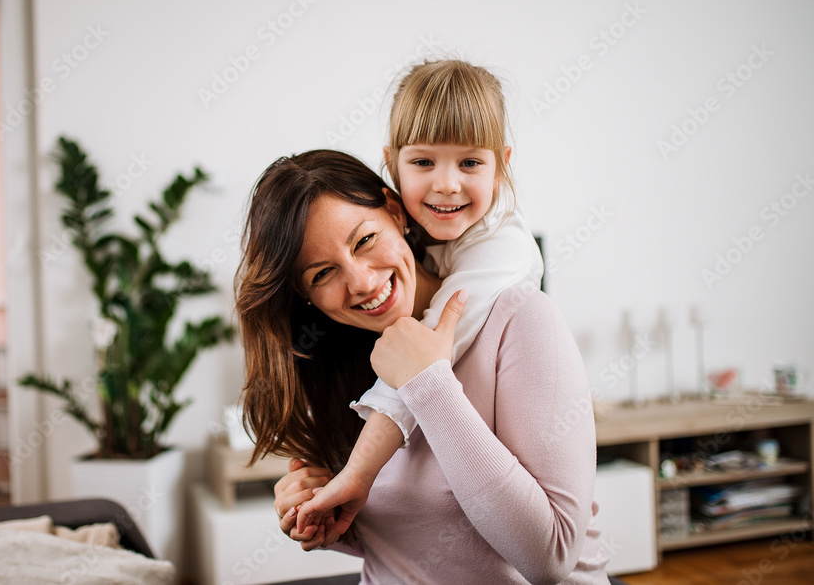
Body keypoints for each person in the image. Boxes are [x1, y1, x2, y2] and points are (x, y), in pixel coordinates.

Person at [235, 149, 610, 583]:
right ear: (307, 297)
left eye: (364, 241)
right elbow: (414, 538)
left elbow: (549, 558)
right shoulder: (336, 364)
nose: (361, 281)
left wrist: (429, 386)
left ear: (394, 211)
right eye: (322, 274)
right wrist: (325, 515)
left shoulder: (521, 318)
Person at [296, 59, 545, 538]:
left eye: (470, 162)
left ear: (502, 165)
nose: (447, 184)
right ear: (392, 166)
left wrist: (358, 474)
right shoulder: (423, 242)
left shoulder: (503, 251)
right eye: (424, 162)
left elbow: (421, 357)